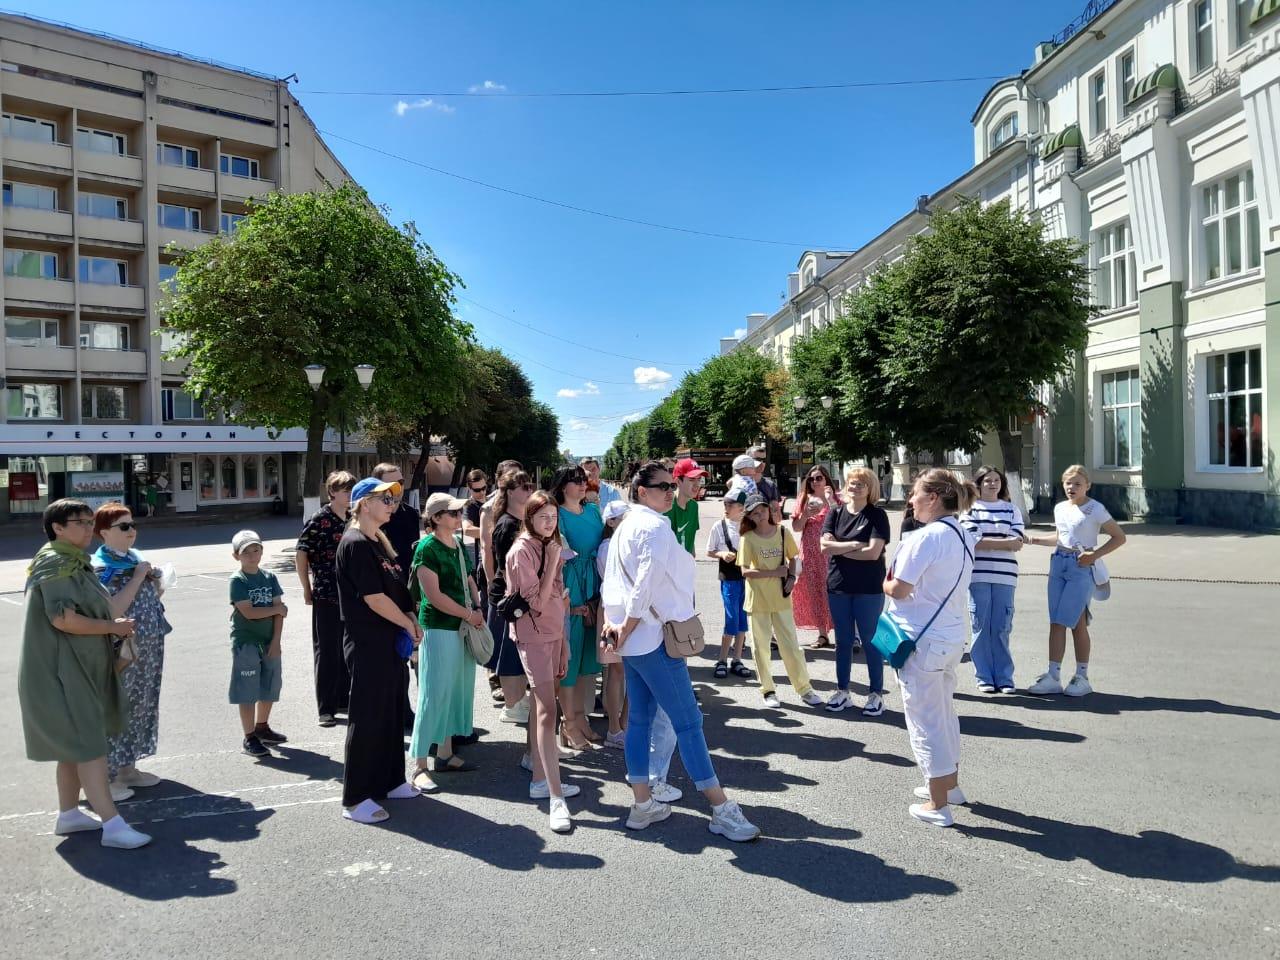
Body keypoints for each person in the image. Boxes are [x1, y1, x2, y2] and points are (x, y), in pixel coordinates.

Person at [601, 461, 760, 841]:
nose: (671, 492)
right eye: (663, 487)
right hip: (654, 636)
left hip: (637, 641)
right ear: (641, 490)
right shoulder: (655, 526)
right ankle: (720, 807)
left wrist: (617, 624)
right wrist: (629, 623)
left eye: (673, 486)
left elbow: (613, 578)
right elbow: (647, 581)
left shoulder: (626, 527)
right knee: (688, 723)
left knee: (640, 720)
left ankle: (643, 804)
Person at [19, 499, 151, 848]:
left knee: (72, 747)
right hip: (63, 671)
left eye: (91, 521)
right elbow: (62, 619)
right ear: (57, 528)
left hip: (76, 668)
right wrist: (113, 627)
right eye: (80, 522)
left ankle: (69, 814)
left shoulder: (74, 561)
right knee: (91, 746)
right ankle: (113, 825)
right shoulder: (56, 562)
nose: (89, 527)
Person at [883, 469, 978, 828]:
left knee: (925, 719)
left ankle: (938, 804)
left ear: (934, 498)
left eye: (915, 493)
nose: (910, 500)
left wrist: (884, 581)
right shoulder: (964, 534)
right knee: (943, 711)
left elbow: (900, 588)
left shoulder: (926, 538)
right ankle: (948, 785)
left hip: (921, 639)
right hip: (949, 637)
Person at [335, 477, 424, 824]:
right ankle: (356, 798)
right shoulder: (355, 543)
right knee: (368, 717)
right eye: (384, 498)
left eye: (392, 499)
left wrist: (411, 619)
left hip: (389, 643)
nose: (391, 504)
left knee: (390, 714)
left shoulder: (378, 542)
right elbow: (372, 598)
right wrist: (405, 624)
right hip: (368, 643)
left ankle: (390, 781)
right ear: (364, 504)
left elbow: (397, 591)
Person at [507, 489, 577, 833]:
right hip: (533, 635)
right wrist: (551, 559)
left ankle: (539, 777)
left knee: (542, 708)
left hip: (553, 635)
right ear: (529, 519)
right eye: (542, 517)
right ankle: (555, 795)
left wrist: (563, 642)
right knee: (549, 711)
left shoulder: (550, 545)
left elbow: (560, 598)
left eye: (553, 517)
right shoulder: (523, 550)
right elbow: (535, 601)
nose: (549, 523)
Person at [1025, 465, 1127, 697]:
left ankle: (1082, 676)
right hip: (1058, 563)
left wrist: (1095, 555)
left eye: (1077, 483)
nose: (1072, 487)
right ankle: (1053, 676)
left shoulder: (1095, 509)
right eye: (1068, 483)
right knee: (1056, 621)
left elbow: (1119, 537)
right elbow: (1062, 537)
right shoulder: (1060, 508)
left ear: (1088, 485)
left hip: (1081, 566)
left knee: (1077, 623)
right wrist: (1032, 539)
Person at [91, 502, 172, 790]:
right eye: (123, 526)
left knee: (141, 706)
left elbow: (149, 596)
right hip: (122, 651)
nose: (131, 531)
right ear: (103, 532)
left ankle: (128, 768)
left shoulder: (132, 559)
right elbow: (111, 609)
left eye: (133, 525)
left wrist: (155, 581)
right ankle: (107, 776)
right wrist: (139, 577)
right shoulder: (103, 567)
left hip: (146, 650)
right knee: (118, 708)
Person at [409, 493, 482, 782]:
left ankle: (444, 754)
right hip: (439, 628)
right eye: (452, 513)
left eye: (458, 511)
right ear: (436, 518)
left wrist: (477, 607)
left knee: (454, 692)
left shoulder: (455, 543)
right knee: (434, 694)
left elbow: (469, 578)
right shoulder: (427, 548)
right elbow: (433, 596)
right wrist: (469, 614)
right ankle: (419, 765)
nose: (458, 516)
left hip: (461, 626)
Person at [739, 494, 821, 708]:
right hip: (757, 602)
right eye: (754, 512)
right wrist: (776, 572)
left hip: (781, 600)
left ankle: (804, 688)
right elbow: (746, 571)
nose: (760, 515)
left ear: (770, 510)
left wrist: (791, 578)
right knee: (760, 649)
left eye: (762, 510)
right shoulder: (747, 538)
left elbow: (794, 559)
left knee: (791, 647)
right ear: (749, 515)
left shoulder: (783, 533)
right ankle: (768, 690)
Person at [820, 468, 891, 716]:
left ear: (871, 488)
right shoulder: (835, 512)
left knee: (871, 641)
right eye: (852, 482)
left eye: (862, 483)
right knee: (843, 641)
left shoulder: (877, 515)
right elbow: (824, 546)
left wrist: (838, 548)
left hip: (869, 588)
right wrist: (852, 545)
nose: (856, 486)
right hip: (838, 586)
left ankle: (876, 694)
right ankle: (843, 691)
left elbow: (873, 553)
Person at [959, 465, 1026, 694]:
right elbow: (972, 540)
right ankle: (984, 676)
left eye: (996, 480)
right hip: (978, 575)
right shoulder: (970, 509)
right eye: (987, 480)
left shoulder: (1011, 509)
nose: (992, 483)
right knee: (980, 626)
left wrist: (991, 541)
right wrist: (1004, 542)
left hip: (1006, 576)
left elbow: (1017, 541)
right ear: (978, 484)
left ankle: (1005, 678)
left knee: (1001, 627)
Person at [295, 471, 355, 728]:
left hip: (352, 595)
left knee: (347, 650)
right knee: (328, 651)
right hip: (327, 594)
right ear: (332, 493)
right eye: (345, 490)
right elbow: (301, 553)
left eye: (352, 490)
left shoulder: (354, 518)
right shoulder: (319, 519)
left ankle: (343, 698)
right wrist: (306, 588)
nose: (350, 495)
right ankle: (326, 708)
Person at [551, 466, 604, 749]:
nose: (583, 485)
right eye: (575, 481)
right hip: (571, 583)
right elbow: (561, 551)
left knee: (588, 662)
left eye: (584, 480)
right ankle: (567, 723)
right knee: (569, 663)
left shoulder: (594, 511)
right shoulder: (556, 514)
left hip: (594, 584)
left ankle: (581, 718)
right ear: (562, 486)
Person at [228, 530, 288, 759]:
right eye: (246, 552)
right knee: (247, 690)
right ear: (236, 556)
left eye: (256, 550)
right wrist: (277, 609)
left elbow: (279, 614)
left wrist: (276, 641)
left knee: (270, 686)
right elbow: (249, 612)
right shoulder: (238, 580)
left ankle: (262, 726)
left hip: (269, 641)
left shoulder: (270, 577)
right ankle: (249, 736)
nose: (253, 556)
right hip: (247, 643)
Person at [372, 463, 421, 731]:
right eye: (391, 484)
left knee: (418, 658)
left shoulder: (411, 515)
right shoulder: (373, 518)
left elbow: (414, 558)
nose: (397, 489)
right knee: (395, 660)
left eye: (400, 482)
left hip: (408, 593)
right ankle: (399, 710)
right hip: (383, 596)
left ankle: (425, 713)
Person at [486, 470, 535, 726]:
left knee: (518, 651)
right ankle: (512, 704)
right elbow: (506, 566)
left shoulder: (524, 520)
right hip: (508, 598)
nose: (528, 490)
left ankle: (517, 699)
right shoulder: (507, 524)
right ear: (509, 492)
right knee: (509, 653)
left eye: (530, 485)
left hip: (519, 596)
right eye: (522, 486)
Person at [790, 465, 839, 649]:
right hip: (810, 553)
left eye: (819, 478)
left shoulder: (835, 499)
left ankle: (845, 632)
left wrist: (831, 502)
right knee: (815, 592)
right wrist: (805, 515)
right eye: (811, 479)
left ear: (826, 479)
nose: (815, 481)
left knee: (835, 591)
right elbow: (796, 527)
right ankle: (822, 634)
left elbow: (843, 522)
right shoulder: (804, 499)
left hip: (830, 552)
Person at [706, 489, 752, 680]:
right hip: (729, 578)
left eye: (729, 505)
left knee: (742, 619)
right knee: (731, 617)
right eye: (724, 504)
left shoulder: (748, 526)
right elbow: (710, 550)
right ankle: (722, 659)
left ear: (741, 508)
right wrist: (722, 554)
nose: (725, 508)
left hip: (747, 578)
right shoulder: (719, 526)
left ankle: (737, 659)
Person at [596, 499, 630, 747]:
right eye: (623, 518)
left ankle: (625, 723)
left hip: (627, 610)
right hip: (614, 611)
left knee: (628, 670)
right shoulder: (608, 547)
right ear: (611, 521)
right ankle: (614, 727)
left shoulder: (623, 543)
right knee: (617, 670)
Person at [666, 458, 706, 554]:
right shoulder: (666, 507)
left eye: (699, 479)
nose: (697, 485)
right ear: (678, 481)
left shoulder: (694, 506)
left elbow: (690, 540)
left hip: (686, 566)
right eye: (692, 479)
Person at [461, 469, 489, 607]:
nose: (482, 492)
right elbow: (467, 530)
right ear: (469, 488)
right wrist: (495, 533)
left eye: (484, 488)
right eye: (477, 490)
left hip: (501, 560)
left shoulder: (492, 502)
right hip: (484, 560)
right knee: (487, 605)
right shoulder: (470, 506)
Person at [748, 445, 782, 523]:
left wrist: (774, 513)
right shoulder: (739, 484)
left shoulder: (770, 486)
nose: (761, 463)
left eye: (764, 460)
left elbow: (778, 518)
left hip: (764, 532)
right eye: (757, 459)